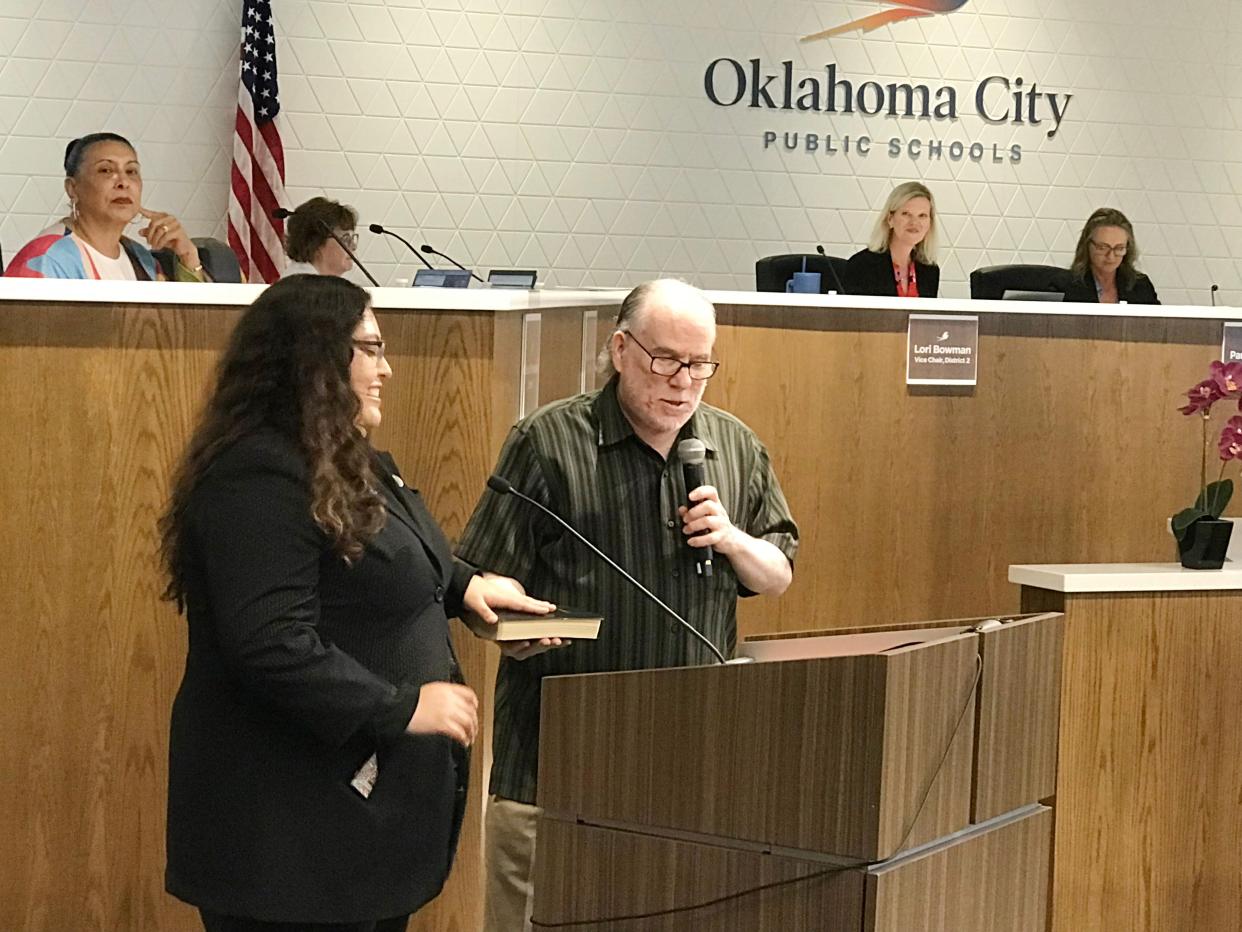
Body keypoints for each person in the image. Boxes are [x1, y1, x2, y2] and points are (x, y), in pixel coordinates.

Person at [158, 275, 553, 932]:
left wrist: (469, 589)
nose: (386, 368)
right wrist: (404, 706)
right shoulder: (256, 476)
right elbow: (270, 641)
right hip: (286, 833)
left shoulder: (348, 460)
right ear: (313, 358)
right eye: (370, 348)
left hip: (358, 831)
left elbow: (386, 552)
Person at [455, 279, 800, 931]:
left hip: (689, 774)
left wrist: (729, 538)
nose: (682, 381)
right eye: (664, 359)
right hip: (554, 774)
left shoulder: (735, 446)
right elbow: (476, 585)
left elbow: (778, 572)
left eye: (699, 365)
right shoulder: (548, 440)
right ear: (619, 348)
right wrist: (506, 626)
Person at [4, 132, 205, 280]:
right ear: (73, 188)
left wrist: (188, 256)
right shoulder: (47, 258)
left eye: (132, 171)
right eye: (106, 170)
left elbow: (184, 330)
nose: (123, 182)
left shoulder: (142, 260)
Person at [843, 181, 940, 297]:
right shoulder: (862, 265)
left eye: (922, 216)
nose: (914, 222)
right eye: (906, 214)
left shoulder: (930, 270)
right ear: (890, 219)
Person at [1062, 207, 1159, 304]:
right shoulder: (1066, 286)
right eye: (1103, 247)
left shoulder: (1141, 286)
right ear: (1087, 245)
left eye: (1119, 248)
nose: (1111, 256)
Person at [283, 196, 359, 277]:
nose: (353, 246)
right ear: (315, 243)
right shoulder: (301, 285)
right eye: (345, 239)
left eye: (352, 238)